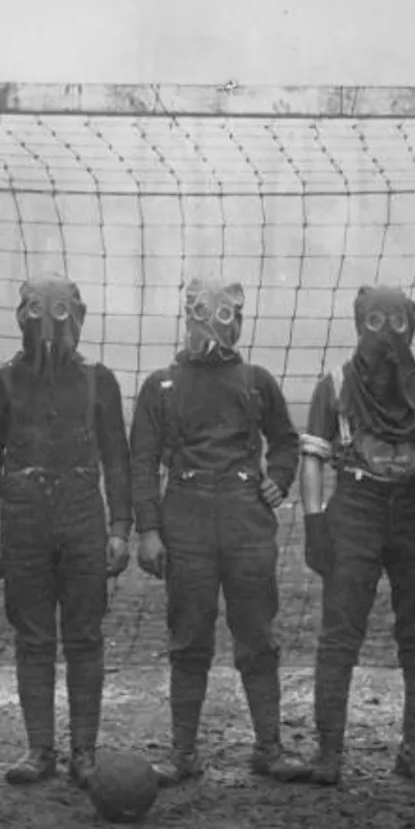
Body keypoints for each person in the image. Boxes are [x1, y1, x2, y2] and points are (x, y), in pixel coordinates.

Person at [129, 277, 309, 787]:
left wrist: (276, 480)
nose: (213, 325)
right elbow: (142, 461)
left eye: (225, 314)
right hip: (184, 518)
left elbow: (286, 441)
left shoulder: (256, 380)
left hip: (245, 521)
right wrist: (149, 530)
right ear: (187, 317)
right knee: (188, 638)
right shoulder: (160, 385)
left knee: (256, 634)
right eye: (203, 313)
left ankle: (269, 748)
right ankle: (184, 753)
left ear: (239, 318)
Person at [299, 285, 415, 787]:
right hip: (356, 505)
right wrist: (314, 522)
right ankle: (329, 753)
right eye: (375, 321)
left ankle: (414, 751)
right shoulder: (334, 385)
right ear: (359, 323)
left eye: (398, 322)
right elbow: (313, 455)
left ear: (411, 326)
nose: (387, 334)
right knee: (340, 630)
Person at [0, 273, 132, 788]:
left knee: (85, 635)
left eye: (61, 313)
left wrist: (119, 530)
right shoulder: (0, 383)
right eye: (38, 312)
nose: (49, 326)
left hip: (83, 512)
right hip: (23, 518)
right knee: (34, 637)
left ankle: (83, 751)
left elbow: (117, 458)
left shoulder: (98, 380)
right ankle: (39, 748)